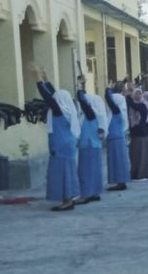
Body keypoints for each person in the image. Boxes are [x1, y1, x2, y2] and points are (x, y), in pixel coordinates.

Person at [35, 68, 80, 211]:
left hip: (61, 146)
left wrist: (38, 80)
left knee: (62, 174)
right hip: (67, 144)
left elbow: (48, 97)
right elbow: (53, 95)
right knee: (68, 172)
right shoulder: (67, 109)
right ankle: (69, 198)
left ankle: (67, 201)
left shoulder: (59, 110)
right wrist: (46, 79)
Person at [75, 84, 106, 204]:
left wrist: (80, 89)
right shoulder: (98, 117)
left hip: (87, 145)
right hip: (95, 145)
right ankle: (94, 192)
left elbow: (82, 100)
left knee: (85, 171)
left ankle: (85, 194)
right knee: (95, 170)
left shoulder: (90, 115)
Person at [103, 83, 131, 191]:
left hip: (115, 137)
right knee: (117, 160)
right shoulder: (120, 109)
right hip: (116, 137)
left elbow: (108, 98)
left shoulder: (116, 110)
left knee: (117, 161)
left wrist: (108, 88)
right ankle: (120, 181)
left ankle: (120, 182)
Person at [127, 85, 148, 181]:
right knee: (135, 155)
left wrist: (128, 96)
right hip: (137, 133)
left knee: (141, 155)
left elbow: (134, 106)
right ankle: (136, 174)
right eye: (136, 93)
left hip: (141, 133)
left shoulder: (143, 104)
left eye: (139, 93)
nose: (138, 95)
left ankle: (142, 174)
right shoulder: (133, 107)